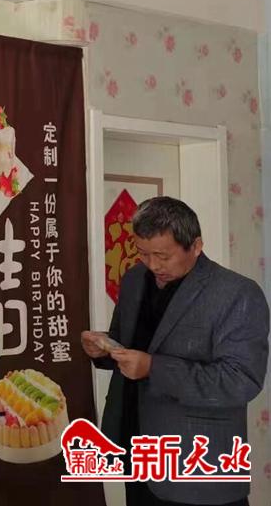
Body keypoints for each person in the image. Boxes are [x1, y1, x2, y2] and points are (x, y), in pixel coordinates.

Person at [81, 196, 269, 506]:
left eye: (162, 256)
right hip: (139, 453)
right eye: (143, 253)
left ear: (195, 246)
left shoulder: (237, 293)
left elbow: (241, 380)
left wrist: (154, 368)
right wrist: (103, 348)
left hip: (199, 467)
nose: (153, 265)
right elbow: (128, 342)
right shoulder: (134, 279)